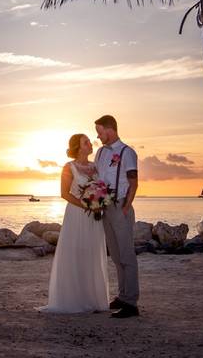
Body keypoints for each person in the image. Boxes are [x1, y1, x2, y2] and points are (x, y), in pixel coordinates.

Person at [36, 134, 110, 313]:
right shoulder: (69, 167)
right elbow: (64, 193)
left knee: (91, 252)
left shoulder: (95, 166)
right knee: (76, 252)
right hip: (77, 215)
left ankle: (92, 299)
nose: (90, 144)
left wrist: (99, 203)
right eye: (86, 142)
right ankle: (74, 299)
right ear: (78, 146)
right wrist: (87, 205)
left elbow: (103, 188)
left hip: (94, 216)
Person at [94, 114, 140, 318]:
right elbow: (97, 180)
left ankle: (131, 303)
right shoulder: (101, 153)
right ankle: (122, 296)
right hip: (105, 208)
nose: (98, 136)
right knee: (115, 254)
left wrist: (125, 207)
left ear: (110, 129)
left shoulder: (127, 152)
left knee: (127, 255)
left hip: (120, 206)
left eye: (100, 132)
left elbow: (134, 182)